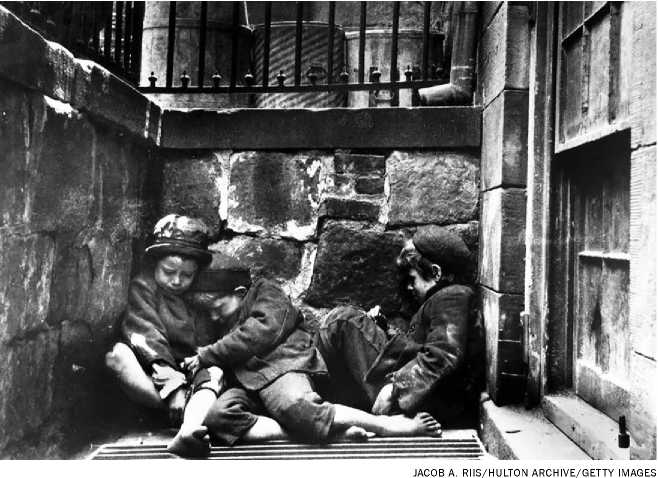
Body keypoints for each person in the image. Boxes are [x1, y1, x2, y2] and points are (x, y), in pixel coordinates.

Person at [181, 256, 443, 448]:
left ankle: (390, 426)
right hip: (248, 382)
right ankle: (330, 432)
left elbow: (262, 330)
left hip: (280, 366)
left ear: (240, 293)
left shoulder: (265, 292)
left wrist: (208, 354)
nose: (213, 316)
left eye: (218, 306)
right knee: (217, 418)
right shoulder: (216, 322)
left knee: (296, 407)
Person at [315, 225, 483, 428]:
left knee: (342, 321)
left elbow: (444, 354)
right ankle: (318, 404)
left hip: (423, 400)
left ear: (436, 273)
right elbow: (420, 346)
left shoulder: (453, 296)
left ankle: (310, 404)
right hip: (419, 392)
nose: (410, 287)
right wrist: (385, 328)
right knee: (347, 321)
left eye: (412, 279)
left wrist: (397, 388)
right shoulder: (445, 299)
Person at [104, 214, 225, 458]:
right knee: (117, 355)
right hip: (153, 372)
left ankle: (189, 425)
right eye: (169, 271)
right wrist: (172, 388)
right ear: (155, 265)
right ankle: (179, 411)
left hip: (188, 374)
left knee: (217, 373)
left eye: (186, 275)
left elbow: (204, 347)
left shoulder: (197, 298)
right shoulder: (144, 288)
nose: (177, 281)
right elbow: (147, 335)